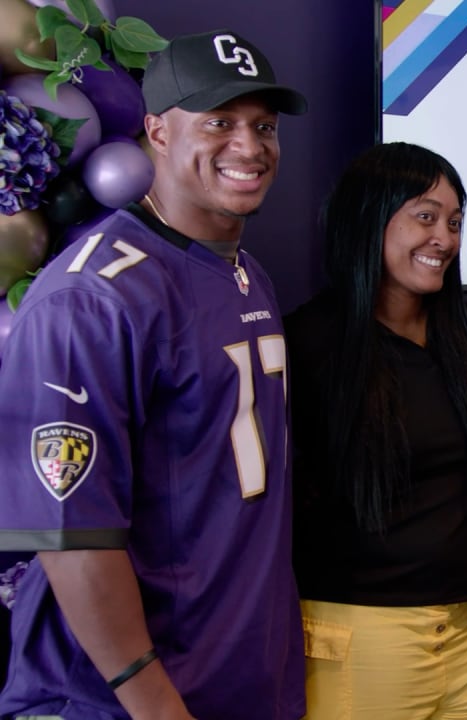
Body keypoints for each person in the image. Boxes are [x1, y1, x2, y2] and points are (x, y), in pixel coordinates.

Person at [0, 29, 308, 719]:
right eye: (219, 122)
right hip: (122, 701)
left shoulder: (245, 271)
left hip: (239, 678)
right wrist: (156, 706)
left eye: (263, 125)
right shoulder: (92, 298)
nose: (249, 146)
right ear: (157, 132)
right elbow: (74, 538)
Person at [285, 142, 467, 719]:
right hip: (360, 633)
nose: (443, 237)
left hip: (465, 628)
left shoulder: (466, 337)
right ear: (370, 217)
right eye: (425, 215)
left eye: (454, 221)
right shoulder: (311, 343)